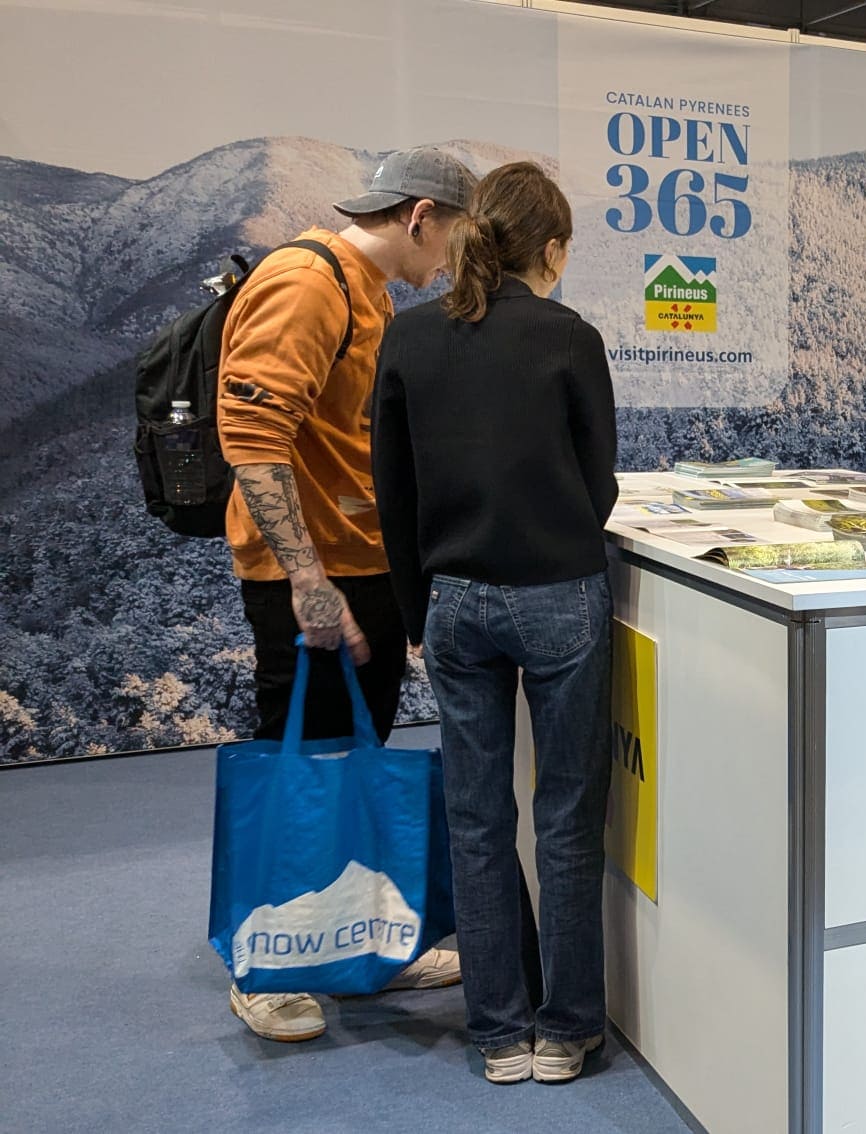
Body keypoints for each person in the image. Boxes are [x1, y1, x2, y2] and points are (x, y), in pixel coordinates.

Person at [216, 146, 476, 1042]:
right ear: (420, 216)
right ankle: (266, 960)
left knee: (353, 758)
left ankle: (355, 942)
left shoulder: (364, 294)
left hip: (357, 567)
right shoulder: (308, 281)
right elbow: (251, 434)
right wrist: (307, 579)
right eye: (450, 239)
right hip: (309, 577)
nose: (446, 261)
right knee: (301, 765)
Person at [372, 162, 618, 1085]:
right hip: (559, 594)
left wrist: (412, 609)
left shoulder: (411, 337)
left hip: (454, 602)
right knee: (565, 818)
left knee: (475, 819)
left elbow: (392, 494)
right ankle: (567, 1030)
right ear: (550, 249)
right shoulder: (569, 337)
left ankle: (497, 1034)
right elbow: (598, 487)